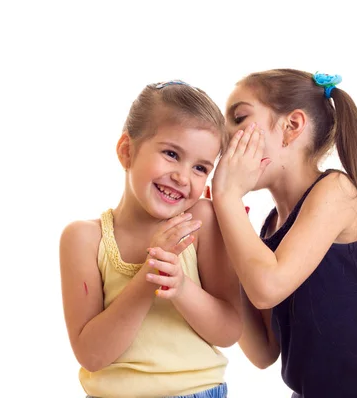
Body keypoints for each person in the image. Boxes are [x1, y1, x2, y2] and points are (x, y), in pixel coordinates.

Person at [210, 69, 357, 398]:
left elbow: (267, 288)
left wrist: (226, 197)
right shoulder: (269, 227)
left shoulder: (336, 191)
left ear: (291, 127)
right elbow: (263, 352)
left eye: (238, 117)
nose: (225, 135)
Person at [59, 80, 241, 398]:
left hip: (196, 391)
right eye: (172, 154)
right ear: (127, 151)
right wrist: (148, 277)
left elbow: (228, 330)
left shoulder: (201, 221)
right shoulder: (83, 239)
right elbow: (92, 355)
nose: (183, 177)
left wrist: (182, 288)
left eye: (200, 167)